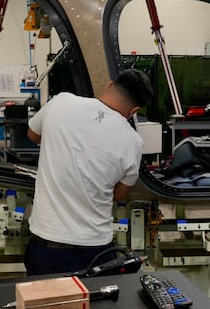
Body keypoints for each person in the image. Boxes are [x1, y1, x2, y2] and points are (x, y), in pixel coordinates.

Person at [23, 68, 153, 275]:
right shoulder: (133, 141)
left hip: (47, 244)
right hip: (96, 249)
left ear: (110, 85)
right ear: (134, 111)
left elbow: (33, 134)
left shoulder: (61, 102)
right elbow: (119, 195)